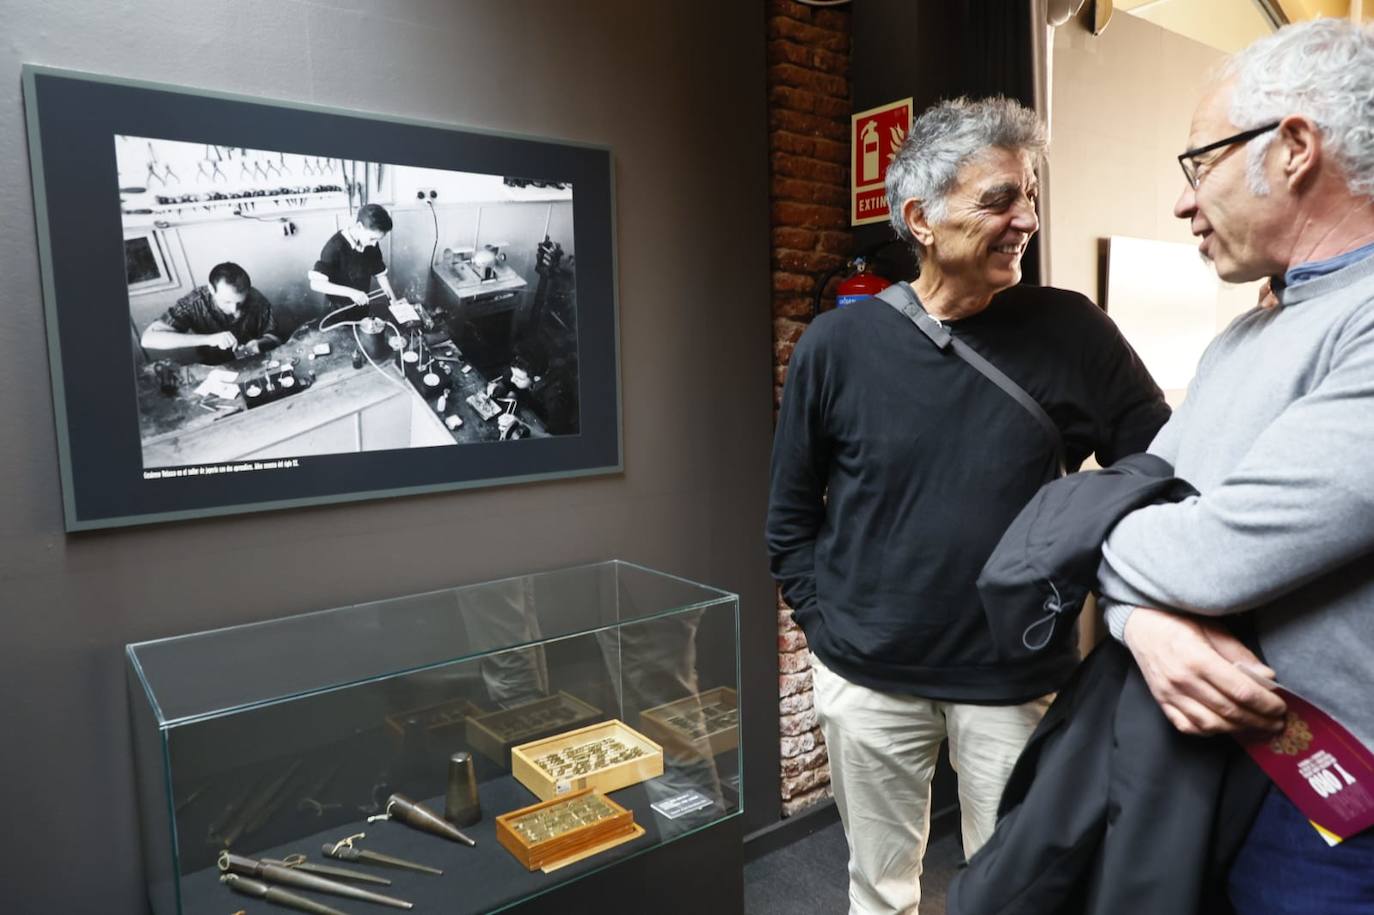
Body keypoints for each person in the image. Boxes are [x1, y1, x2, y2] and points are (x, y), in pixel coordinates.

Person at [766, 96, 1170, 915]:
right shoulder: (836, 346)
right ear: (921, 217)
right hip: (867, 675)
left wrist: (1084, 565)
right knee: (878, 889)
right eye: (999, 199)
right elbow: (790, 513)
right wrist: (824, 627)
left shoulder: (1073, 331)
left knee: (1017, 890)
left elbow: (1161, 467)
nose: (1025, 218)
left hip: (1011, 675)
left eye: (1030, 196)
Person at [1093, 18, 1374, 913]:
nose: (1183, 202)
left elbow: (1211, 555)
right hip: (1225, 771)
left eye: (1200, 162)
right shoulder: (1248, 332)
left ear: (1295, 147)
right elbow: (1135, 501)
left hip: (1341, 811)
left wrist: (1104, 557)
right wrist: (1144, 621)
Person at [141, 261, 278, 365]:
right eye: (227, 302)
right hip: (214, 367)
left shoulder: (256, 298)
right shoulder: (195, 302)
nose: (234, 310)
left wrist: (260, 343)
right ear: (211, 289)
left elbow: (275, 337)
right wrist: (209, 339)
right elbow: (148, 339)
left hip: (255, 362)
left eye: (240, 303)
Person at [308, 203, 398, 319]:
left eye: (378, 239)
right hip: (337, 311)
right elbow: (316, 284)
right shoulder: (335, 246)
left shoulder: (371, 244)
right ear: (359, 227)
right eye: (372, 238)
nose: (374, 243)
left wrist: (394, 301)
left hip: (361, 308)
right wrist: (352, 293)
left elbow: (380, 275)